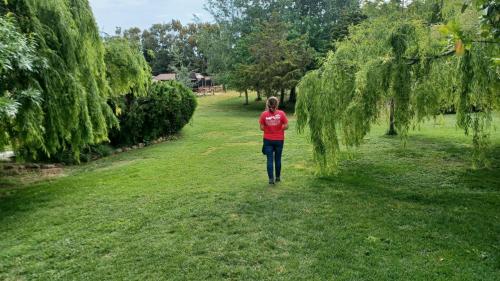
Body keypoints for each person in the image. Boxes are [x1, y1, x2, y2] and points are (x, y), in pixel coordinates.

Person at [259, 97, 288, 185]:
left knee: (269, 160)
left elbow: (261, 128)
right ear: (277, 104)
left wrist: (269, 129)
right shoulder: (281, 113)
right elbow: (286, 126)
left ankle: (271, 179)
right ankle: (278, 177)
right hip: (279, 140)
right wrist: (279, 128)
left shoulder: (264, 114)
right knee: (278, 159)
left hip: (268, 140)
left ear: (268, 104)